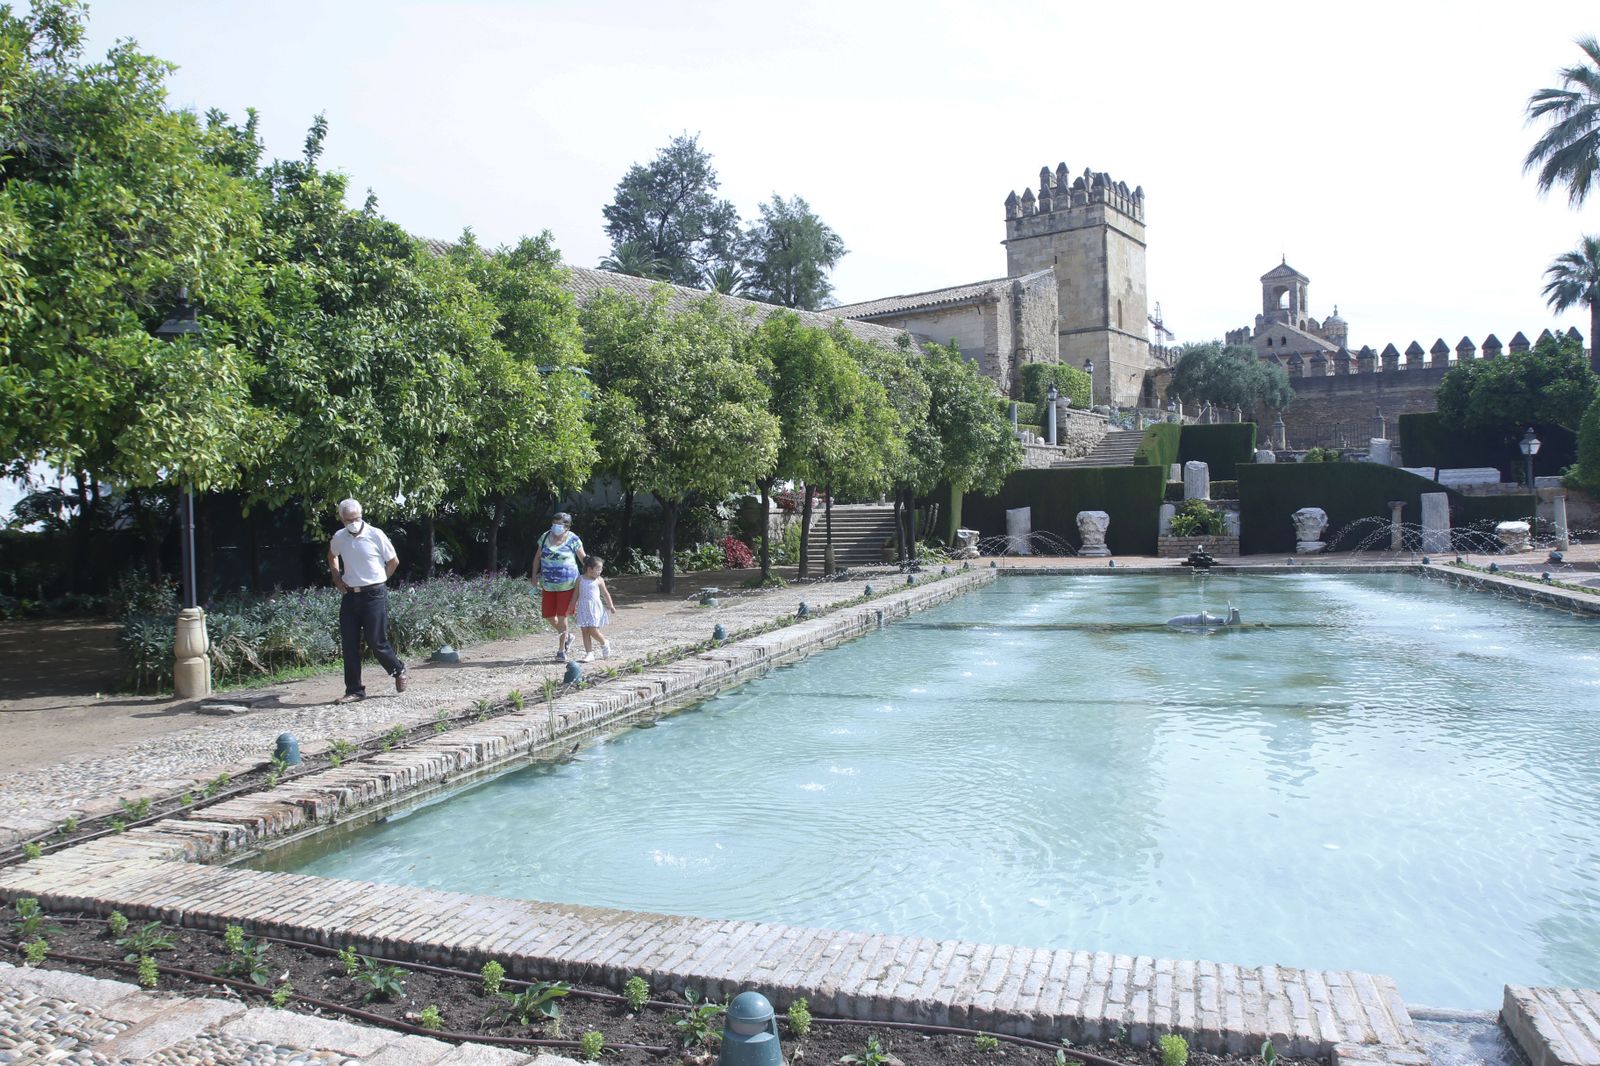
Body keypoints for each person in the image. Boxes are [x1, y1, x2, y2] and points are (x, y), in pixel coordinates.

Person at [327, 498, 408, 702]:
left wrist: (380, 580)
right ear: (342, 519)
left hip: (374, 594)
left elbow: (393, 561)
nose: (353, 523)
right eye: (348, 520)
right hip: (350, 595)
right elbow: (332, 555)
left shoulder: (375, 534)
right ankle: (354, 690)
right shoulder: (339, 537)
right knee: (349, 644)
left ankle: (398, 669)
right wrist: (336, 577)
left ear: (361, 516)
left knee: (376, 641)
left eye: (356, 518)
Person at [532, 511, 585, 661]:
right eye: (554, 523)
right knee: (548, 615)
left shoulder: (573, 539)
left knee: (562, 617)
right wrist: (534, 575)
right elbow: (537, 557)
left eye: (559, 524)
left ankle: (561, 650)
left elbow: (583, 558)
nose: (556, 526)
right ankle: (567, 635)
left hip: (568, 585)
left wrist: (591, 574)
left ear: (567, 526)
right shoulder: (545, 537)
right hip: (548, 584)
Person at [574, 556, 618, 661]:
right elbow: (575, 594)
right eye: (598, 569)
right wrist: (572, 606)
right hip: (583, 608)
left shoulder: (599, 580)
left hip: (595, 609)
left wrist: (611, 605)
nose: (600, 571)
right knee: (584, 631)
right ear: (589, 569)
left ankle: (604, 642)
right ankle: (589, 654)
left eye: (601, 569)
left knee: (593, 630)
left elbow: (605, 593)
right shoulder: (580, 579)